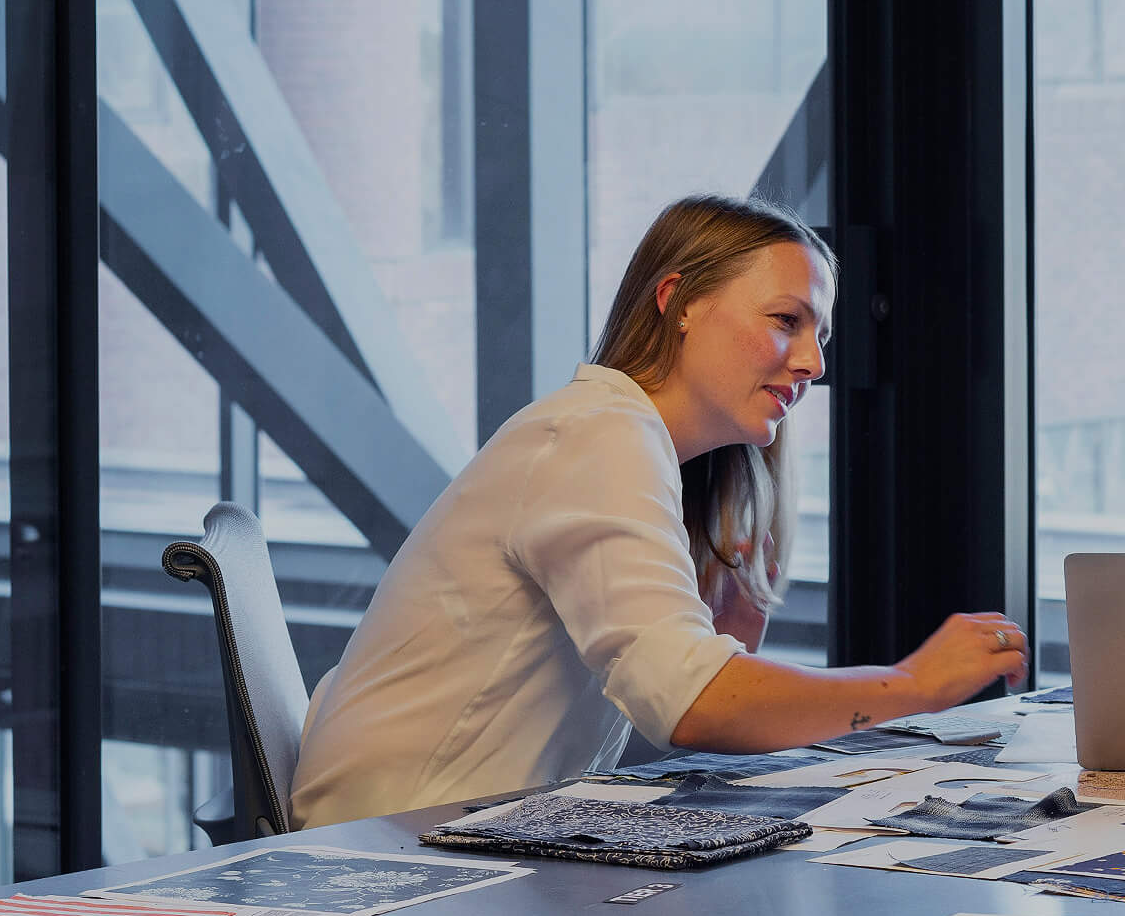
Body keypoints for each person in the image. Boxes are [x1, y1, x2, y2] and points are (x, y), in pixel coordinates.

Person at [292, 195, 1029, 826]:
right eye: (785, 320)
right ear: (677, 300)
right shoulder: (597, 435)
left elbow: (655, 717)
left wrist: (726, 654)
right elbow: (688, 705)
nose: (814, 363)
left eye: (821, 337)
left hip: (454, 833)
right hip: (404, 853)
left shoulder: (624, 444)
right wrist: (914, 686)